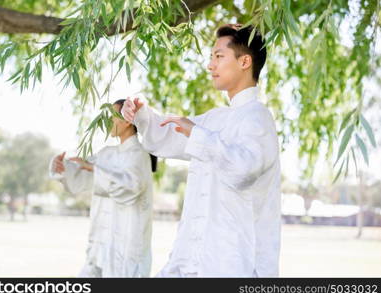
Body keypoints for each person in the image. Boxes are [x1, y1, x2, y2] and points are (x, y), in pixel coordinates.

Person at [122, 24, 281, 277]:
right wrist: (141, 114)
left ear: (245, 61)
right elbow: (167, 136)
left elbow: (243, 170)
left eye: (218, 56)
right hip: (189, 261)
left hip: (232, 265)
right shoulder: (214, 119)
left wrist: (196, 134)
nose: (210, 65)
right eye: (211, 58)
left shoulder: (258, 118)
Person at [49, 99, 157, 277]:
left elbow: (131, 187)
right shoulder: (107, 154)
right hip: (101, 244)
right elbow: (84, 178)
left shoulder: (139, 154)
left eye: (113, 116)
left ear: (128, 120)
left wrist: (93, 168)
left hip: (126, 247)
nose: (107, 122)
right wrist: (63, 168)